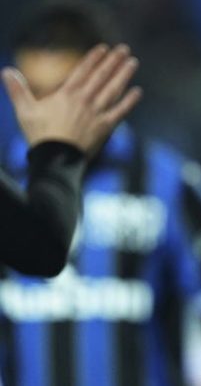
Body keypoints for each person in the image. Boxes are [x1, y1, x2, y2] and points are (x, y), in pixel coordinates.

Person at [0, 0, 201, 386]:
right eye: (33, 93)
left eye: (64, 94)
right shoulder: (7, 184)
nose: (46, 114)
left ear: (111, 83)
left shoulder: (171, 185)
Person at [1, 43, 141, 277]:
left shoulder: (166, 178)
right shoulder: (8, 165)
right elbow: (41, 248)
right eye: (36, 91)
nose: (48, 109)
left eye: (62, 92)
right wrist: (59, 151)